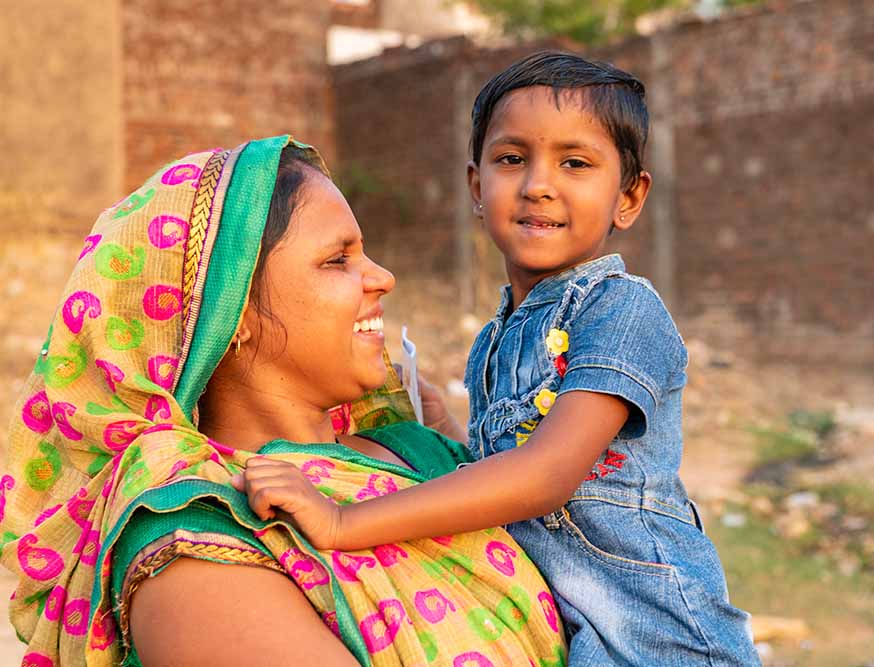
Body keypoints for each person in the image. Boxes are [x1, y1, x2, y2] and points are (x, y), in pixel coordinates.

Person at [231, 54, 762, 665]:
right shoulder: (494, 339)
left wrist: (342, 524)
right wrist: (447, 430)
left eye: (575, 163)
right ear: (478, 188)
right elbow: (501, 474)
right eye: (512, 159)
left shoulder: (622, 312)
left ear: (629, 197)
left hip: (658, 633)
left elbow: (544, 477)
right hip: (574, 631)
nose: (538, 183)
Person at [0, 136, 568, 667]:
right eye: (337, 259)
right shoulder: (197, 541)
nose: (383, 277)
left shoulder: (416, 448)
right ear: (235, 315)